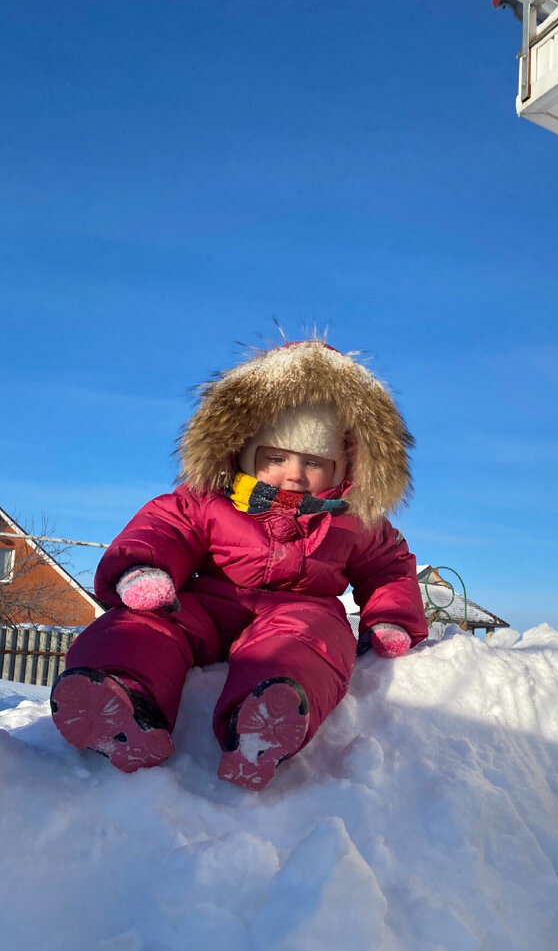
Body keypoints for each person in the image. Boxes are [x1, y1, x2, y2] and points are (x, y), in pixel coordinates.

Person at [51, 338, 428, 790]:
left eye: (313, 462)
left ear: (344, 468)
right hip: (210, 603)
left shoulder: (354, 521)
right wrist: (143, 568)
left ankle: (263, 721)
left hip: (300, 610)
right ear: (244, 452)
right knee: (142, 626)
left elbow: (389, 567)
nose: (294, 473)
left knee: (311, 643)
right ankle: (122, 697)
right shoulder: (210, 501)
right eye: (276, 457)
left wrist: (390, 617)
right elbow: (166, 527)